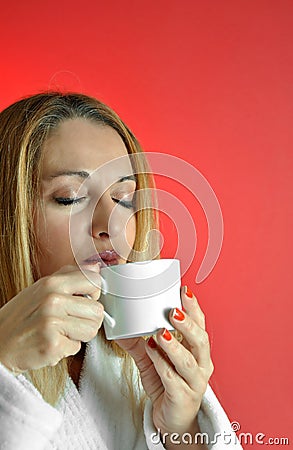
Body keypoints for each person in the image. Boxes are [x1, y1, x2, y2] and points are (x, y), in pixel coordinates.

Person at [0, 92, 242, 449]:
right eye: (70, 197)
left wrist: (182, 428)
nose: (110, 224)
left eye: (124, 199)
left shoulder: (136, 360)